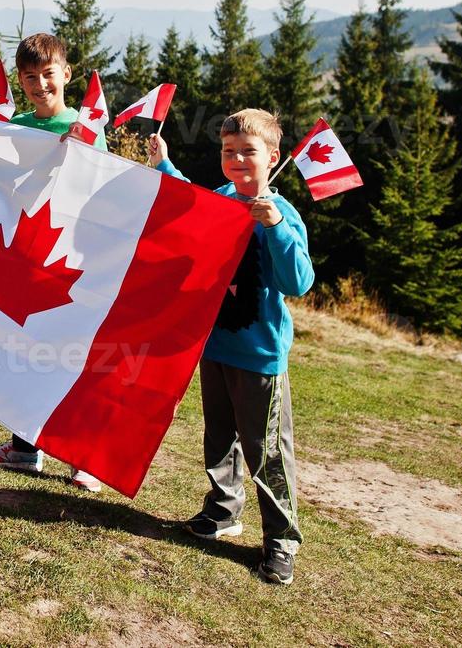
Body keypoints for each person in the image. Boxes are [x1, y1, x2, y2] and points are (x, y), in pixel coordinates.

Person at [149, 108, 313, 586]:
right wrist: (164, 166)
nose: (238, 159)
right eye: (228, 151)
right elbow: (191, 202)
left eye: (248, 151)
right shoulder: (221, 197)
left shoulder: (282, 212)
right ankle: (222, 511)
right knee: (220, 438)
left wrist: (276, 225)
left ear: (273, 157)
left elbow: (298, 281)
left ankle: (280, 541)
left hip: (260, 356)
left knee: (267, 452)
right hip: (216, 345)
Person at [0, 32, 104, 493]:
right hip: (23, 257)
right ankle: (25, 447)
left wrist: (82, 148)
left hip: (72, 260)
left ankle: (82, 457)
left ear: (65, 74)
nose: (39, 85)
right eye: (30, 78)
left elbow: (104, 193)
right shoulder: (19, 126)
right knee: (21, 353)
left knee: (69, 355)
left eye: (48, 75)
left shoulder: (87, 127)